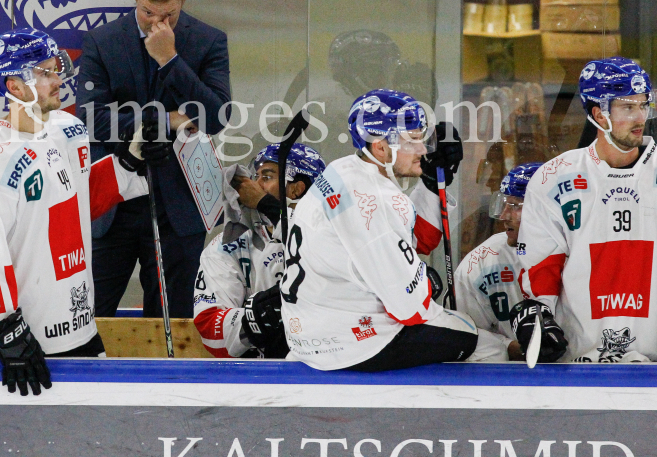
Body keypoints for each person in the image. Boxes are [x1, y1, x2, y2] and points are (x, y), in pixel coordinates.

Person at [0, 28, 153, 395]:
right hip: (21, 346)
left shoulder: (68, 130)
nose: (57, 78)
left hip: (78, 326)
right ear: (14, 87)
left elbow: (75, 201)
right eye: (44, 73)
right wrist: (4, 330)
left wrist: (130, 162)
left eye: (55, 68)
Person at [281, 89, 507, 371]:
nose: (423, 150)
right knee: (487, 345)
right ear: (380, 147)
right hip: (352, 344)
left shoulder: (342, 170)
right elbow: (410, 310)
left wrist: (429, 185)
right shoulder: (376, 202)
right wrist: (424, 282)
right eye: (412, 140)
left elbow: (412, 239)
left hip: (307, 336)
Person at [77, 0, 232, 319]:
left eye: (169, 16)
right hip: (113, 204)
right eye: (149, 13)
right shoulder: (102, 41)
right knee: (88, 318)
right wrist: (169, 119)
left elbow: (216, 116)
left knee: (171, 322)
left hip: (177, 204)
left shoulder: (209, 41)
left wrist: (170, 59)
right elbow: (90, 120)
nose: (158, 24)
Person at [516, 57, 657, 364]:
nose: (640, 117)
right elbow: (542, 266)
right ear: (599, 114)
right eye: (627, 107)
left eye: (644, 105)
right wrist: (538, 315)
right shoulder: (555, 178)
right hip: (579, 361)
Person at [193, 142, 325, 358]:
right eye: (255, 176)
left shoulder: (334, 235)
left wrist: (267, 205)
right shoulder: (226, 245)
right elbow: (211, 332)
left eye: (266, 176)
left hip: (329, 367)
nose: (253, 186)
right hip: (257, 377)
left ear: (296, 188)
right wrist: (255, 319)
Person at [457, 162, 541, 361]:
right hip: (505, 376)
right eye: (504, 205)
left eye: (515, 207)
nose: (503, 216)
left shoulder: (583, 254)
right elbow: (463, 332)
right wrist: (509, 347)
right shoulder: (481, 262)